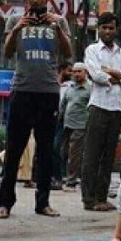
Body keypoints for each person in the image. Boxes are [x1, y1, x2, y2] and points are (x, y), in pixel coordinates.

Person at [0, 0, 72, 219]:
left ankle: (43, 203)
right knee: (15, 148)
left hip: (48, 92)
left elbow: (68, 55)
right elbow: (7, 53)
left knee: (47, 150)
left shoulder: (58, 21)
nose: (36, 0)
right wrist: (17, 28)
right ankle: (5, 203)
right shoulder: (15, 19)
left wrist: (57, 28)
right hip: (22, 90)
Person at [82, 12, 121, 211]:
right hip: (98, 106)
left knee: (108, 156)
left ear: (116, 29)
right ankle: (88, 199)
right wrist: (120, 77)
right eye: (104, 27)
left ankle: (102, 198)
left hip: (116, 108)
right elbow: (96, 75)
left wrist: (112, 73)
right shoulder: (92, 50)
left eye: (111, 27)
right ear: (99, 29)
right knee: (92, 155)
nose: (107, 31)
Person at [59, 63, 91, 191]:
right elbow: (63, 104)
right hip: (66, 125)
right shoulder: (69, 87)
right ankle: (66, 176)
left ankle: (71, 181)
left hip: (81, 126)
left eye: (79, 71)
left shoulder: (90, 89)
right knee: (64, 152)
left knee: (74, 154)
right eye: (74, 71)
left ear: (85, 73)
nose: (76, 74)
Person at [51, 61, 73, 190]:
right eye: (69, 71)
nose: (71, 74)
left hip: (61, 119)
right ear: (62, 70)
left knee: (56, 147)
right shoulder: (52, 83)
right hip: (49, 117)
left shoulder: (70, 86)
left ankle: (58, 177)